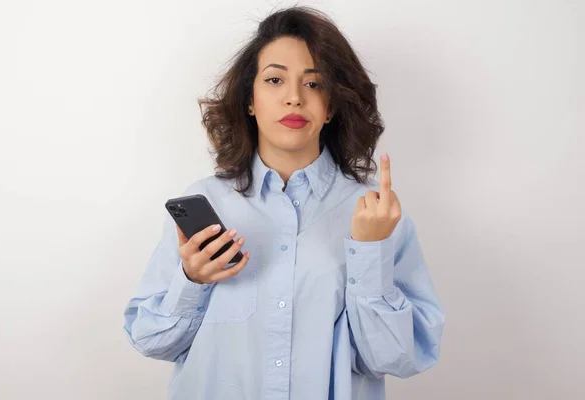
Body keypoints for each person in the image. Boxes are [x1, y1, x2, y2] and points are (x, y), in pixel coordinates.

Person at [123, 6, 445, 400]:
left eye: (314, 84)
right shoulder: (208, 202)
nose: (294, 98)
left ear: (331, 106)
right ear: (250, 100)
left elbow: (397, 359)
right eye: (275, 79)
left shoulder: (376, 214)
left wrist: (370, 252)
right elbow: (151, 341)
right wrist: (192, 281)